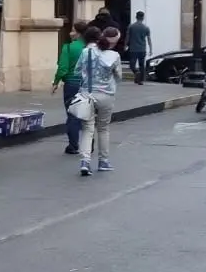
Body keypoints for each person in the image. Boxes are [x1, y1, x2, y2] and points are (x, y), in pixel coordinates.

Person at [74, 25, 123, 177]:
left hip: (87, 94)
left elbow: (77, 71)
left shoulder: (86, 51)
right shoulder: (114, 56)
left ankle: (85, 161)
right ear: (114, 42)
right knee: (103, 128)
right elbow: (119, 77)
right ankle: (103, 161)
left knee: (87, 129)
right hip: (106, 95)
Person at [50, 21, 89, 155]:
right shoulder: (89, 48)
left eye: (72, 30)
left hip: (72, 84)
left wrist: (56, 82)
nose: (70, 33)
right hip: (87, 85)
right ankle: (89, 142)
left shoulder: (68, 48)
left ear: (78, 33)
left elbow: (63, 68)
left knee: (73, 114)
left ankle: (73, 145)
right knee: (87, 114)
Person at [126, 12, 152, 84]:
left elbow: (127, 37)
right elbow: (149, 39)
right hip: (142, 49)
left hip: (133, 48)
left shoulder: (131, 26)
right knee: (141, 65)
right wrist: (150, 49)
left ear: (136, 17)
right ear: (143, 17)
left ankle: (136, 72)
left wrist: (125, 45)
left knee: (132, 65)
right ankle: (140, 80)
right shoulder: (146, 28)